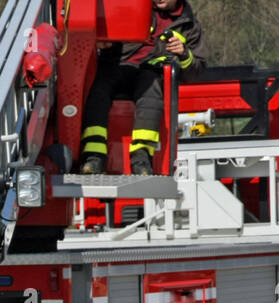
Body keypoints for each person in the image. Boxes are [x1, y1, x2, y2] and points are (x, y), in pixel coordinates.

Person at [79, 0, 206, 176]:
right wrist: (101, 43)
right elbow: (101, 33)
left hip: (150, 73)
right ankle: (94, 157)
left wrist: (183, 53)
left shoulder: (189, 25)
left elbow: (195, 73)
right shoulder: (131, 6)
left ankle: (141, 159)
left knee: (151, 89)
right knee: (98, 89)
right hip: (117, 66)